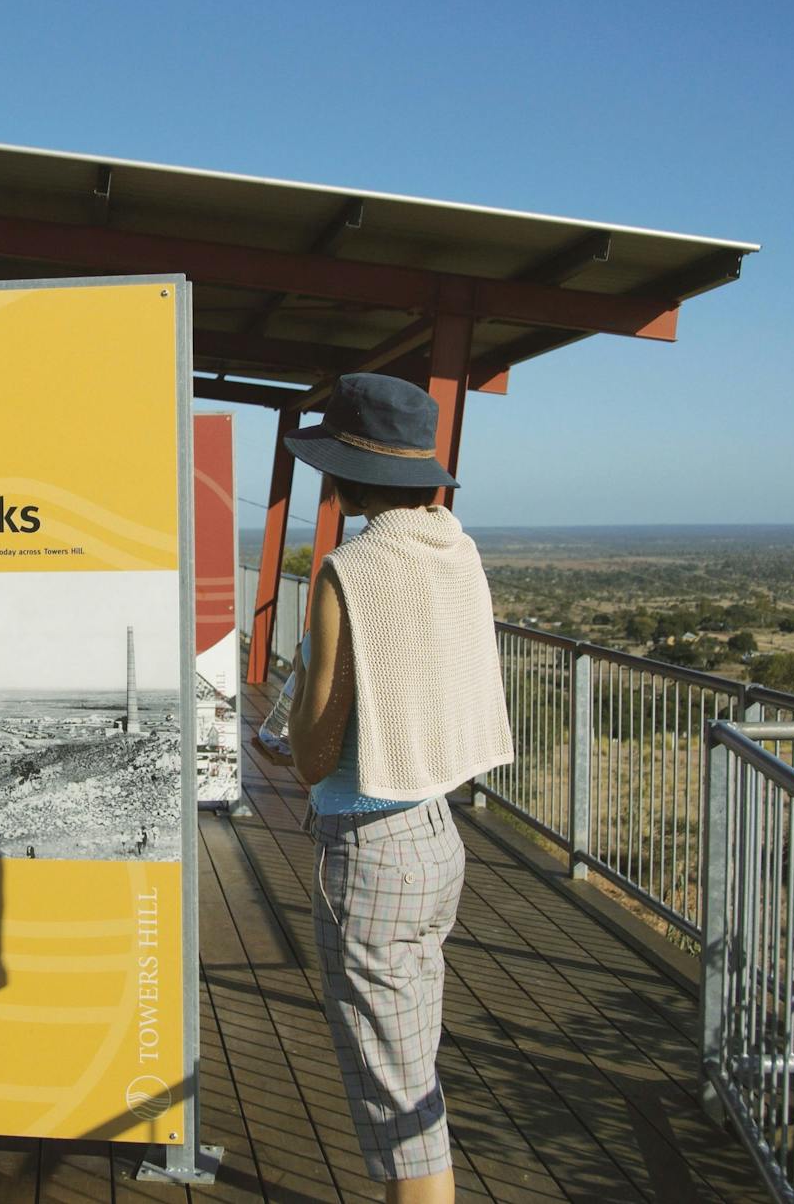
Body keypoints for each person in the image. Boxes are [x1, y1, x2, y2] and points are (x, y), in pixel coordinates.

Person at [285, 374, 514, 1204]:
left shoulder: (353, 569)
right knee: (411, 1072)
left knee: (397, 1108)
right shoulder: (452, 548)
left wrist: (302, 689)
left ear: (344, 471)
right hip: (434, 837)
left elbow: (316, 752)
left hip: (371, 855)